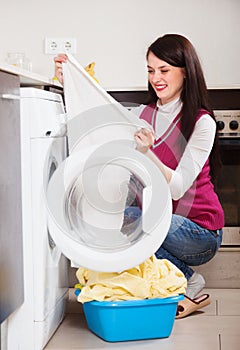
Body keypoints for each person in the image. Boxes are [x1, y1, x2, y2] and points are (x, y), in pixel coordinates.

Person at [54, 34, 224, 317]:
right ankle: (187, 278)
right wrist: (69, 82)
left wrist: (148, 153)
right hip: (165, 223)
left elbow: (177, 189)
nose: (156, 78)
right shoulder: (145, 114)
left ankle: (188, 280)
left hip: (200, 230)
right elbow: (102, 115)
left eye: (164, 70)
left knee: (137, 226)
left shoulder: (201, 121)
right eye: (150, 70)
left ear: (185, 71)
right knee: (121, 220)